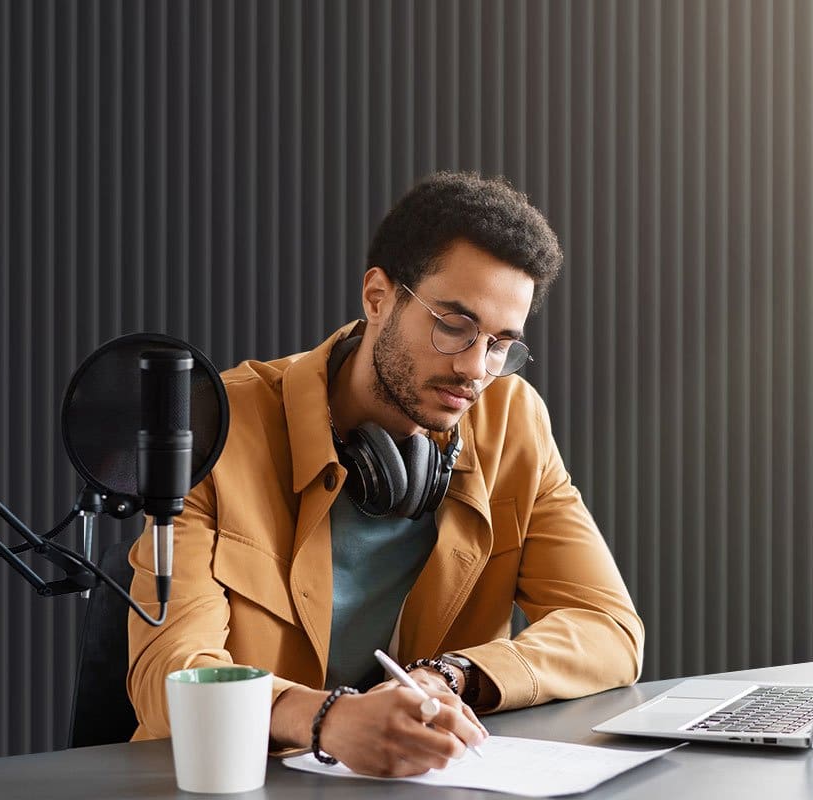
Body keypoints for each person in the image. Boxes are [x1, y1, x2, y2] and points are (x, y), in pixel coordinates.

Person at [126, 171, 643, 777]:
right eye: (453, 325)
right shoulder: (219, 423)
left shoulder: (514, 420)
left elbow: (608, 628)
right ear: (377, 296)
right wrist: (326, 719)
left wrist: (454, 675)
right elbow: (171, 670)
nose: (476, 369)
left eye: (501, 343)